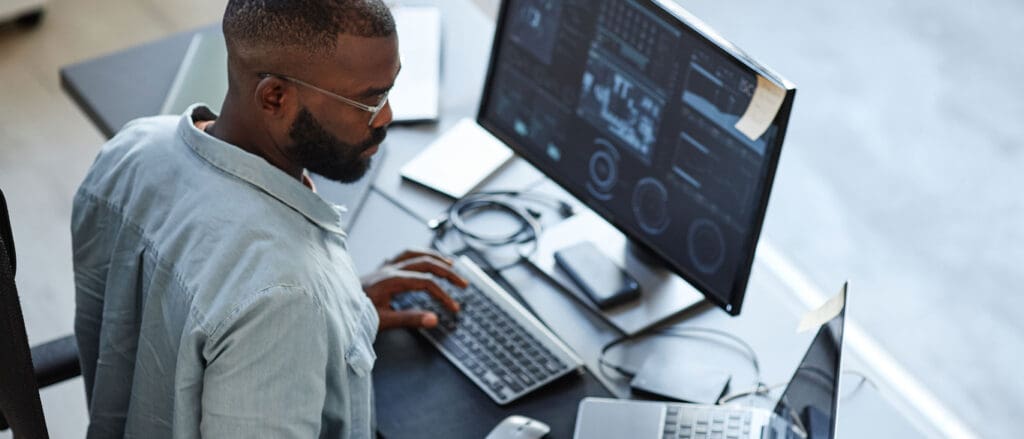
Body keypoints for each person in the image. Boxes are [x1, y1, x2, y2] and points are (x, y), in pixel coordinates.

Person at [71, 0, 461, 437]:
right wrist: (303, 315)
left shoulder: (133, 147)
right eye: (369, 101)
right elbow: (262, 300)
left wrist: (342, 313)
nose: (386, 117)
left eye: (388, 91)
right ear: (275, 96)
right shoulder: (284, 299)